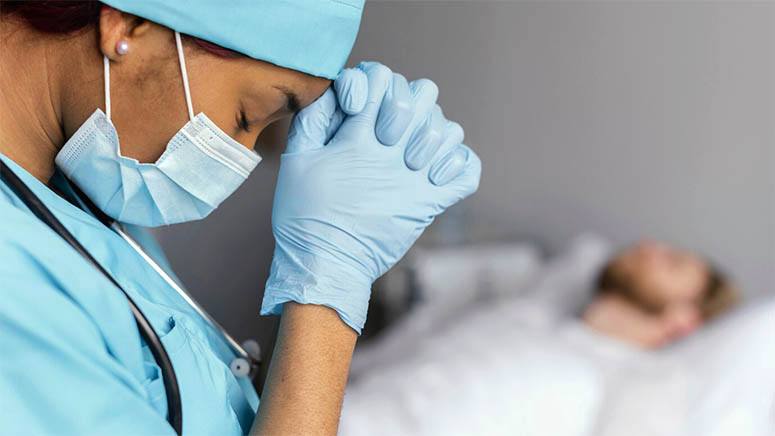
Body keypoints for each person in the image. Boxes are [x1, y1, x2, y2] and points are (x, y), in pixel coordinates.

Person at [0, 1, 481, 435]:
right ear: (129, 24)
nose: (242, 154)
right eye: (250, 116)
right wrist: (328, 288)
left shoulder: (76, 195)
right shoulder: (12, 285)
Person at [583, 240, 739, 349]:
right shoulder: (566, 332)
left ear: (684, 318)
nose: (646, 246)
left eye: (672, 263)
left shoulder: (648, 387)